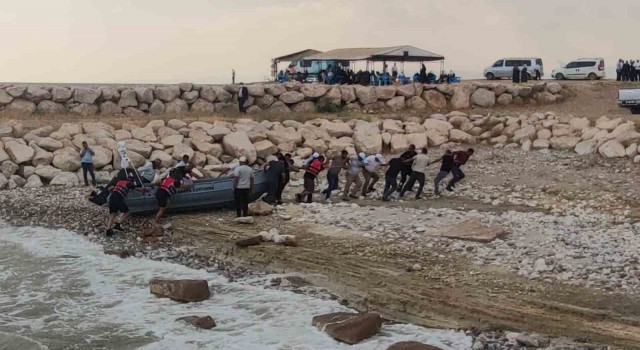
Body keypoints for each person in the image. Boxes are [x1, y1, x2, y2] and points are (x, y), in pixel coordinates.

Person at [105, 170, 139, 236]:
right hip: (118, 199)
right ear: (131, 180)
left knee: (112, 214)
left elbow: (110, 188)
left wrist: (113, 191)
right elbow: (137, 189)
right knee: (127, 212)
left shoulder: (119, 182)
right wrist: (144, 189)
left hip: (112, 197)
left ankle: (108, 230)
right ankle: (118, 224)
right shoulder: (129, 183)